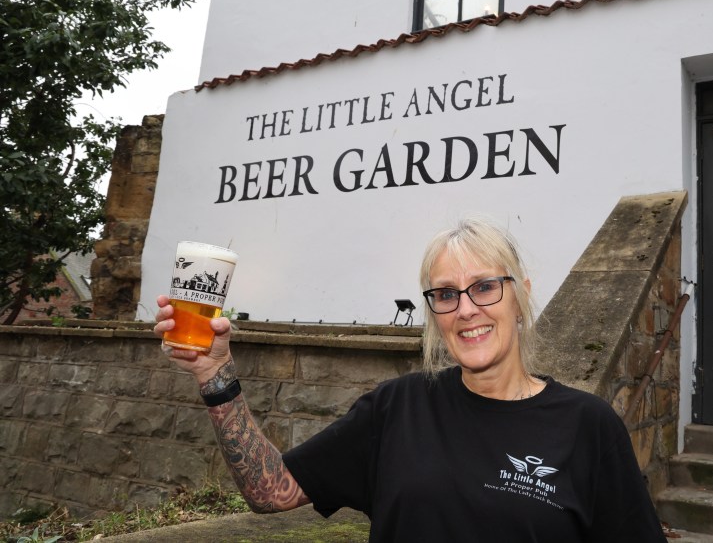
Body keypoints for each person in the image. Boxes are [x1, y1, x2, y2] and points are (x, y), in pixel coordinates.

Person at [154, 217, 667, 542]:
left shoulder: (586, 425)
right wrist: (215, 375)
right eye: (445, 294)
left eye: (484, 287)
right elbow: (273, 492)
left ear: (521, 296)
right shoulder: (399, 407)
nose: (466, 310)